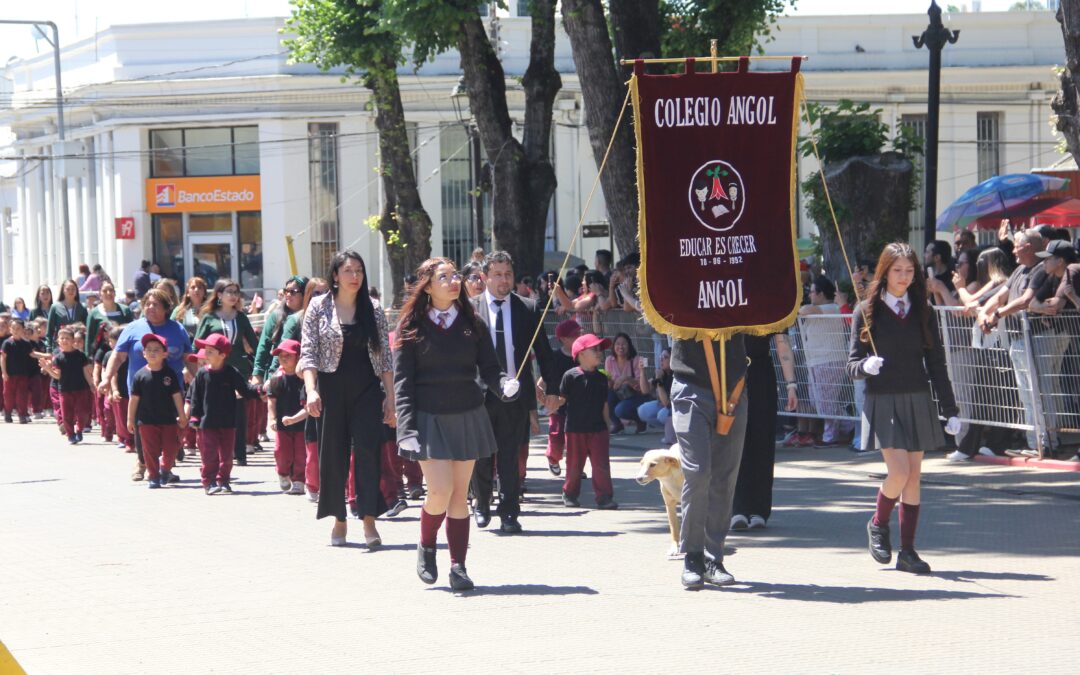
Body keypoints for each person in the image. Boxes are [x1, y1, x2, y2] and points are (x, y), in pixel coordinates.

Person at [394, 257, 519, 591]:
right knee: (439, 491)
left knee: (458, 498)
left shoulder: (472, 322)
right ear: (428, 285)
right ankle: (427, 544)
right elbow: (403, 382)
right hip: (427, 418)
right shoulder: (410, 326)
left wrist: (503, 383)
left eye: (455, 276)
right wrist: (405, 429)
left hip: (467, 414)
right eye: (444, 276)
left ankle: (458, 566)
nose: (453, 281)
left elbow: (489, 368)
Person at [849, 242, 960, 575]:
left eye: (910, 271)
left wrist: (950, 409)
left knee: (914, 478)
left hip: (917, 396)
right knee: (898, 473)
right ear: (885, 271)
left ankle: (908, 551)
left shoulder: (922, 308)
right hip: (882, 398)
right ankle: (878, 522)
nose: (903, 277)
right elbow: (851, 363)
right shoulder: (866, 310)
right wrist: (865, 366)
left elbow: (936, 361)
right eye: (897, 270)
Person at [300, 250, 395, 548]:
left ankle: (369, 519)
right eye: (349, 271)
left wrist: (390, 398)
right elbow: (308, 351)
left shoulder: (374, 308)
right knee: (333, 455)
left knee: (368, 453)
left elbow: (384, 357)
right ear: (335, 276)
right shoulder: (318, 306)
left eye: (359, 271)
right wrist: (312, 389)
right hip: (330, 388)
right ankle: (339, 519)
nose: (355, 277)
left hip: (366, 390)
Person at [469, 250, 558, 534]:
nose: (503, 280)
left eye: (508, 274)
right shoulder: (469, 309)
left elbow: (544, 352)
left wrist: (553, 389)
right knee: (482, 456)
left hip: (515, 396)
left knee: (510, 456)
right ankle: (481, 503)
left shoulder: (527, 308)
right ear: (484, 277)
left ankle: (509, 512)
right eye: (497, 275)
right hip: (479, 396)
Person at [670, 334, 748, 589]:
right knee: (698, 472)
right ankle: (692, 557)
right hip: (690, 384)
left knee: (725, 476)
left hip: (733, 386)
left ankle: (714, 557)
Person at [99, 288, 193, 482]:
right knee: (143, 429)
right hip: (142, 392)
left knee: (170, 430)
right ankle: (143, 463)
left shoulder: (177, 329)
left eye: (156, 304)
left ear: (167, 308)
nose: (150, 308)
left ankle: (164, 467)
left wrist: (200, 379)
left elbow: (188, 357)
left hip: (171, 392)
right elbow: (118, 355)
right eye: (147, 304)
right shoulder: (133, 328)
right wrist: (107, 378)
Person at [730, 333, 798, 530]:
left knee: (763, 441)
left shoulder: (771, 305)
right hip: (731, 373)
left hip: (761, 373)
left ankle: (759, 510)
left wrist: (791, 385)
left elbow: (782, 344)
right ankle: (737, 508)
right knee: (735, 442)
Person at [186, 333, 264, 495]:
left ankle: (224, 481)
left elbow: (245, 389)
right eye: (205, 350)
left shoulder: (231, 372)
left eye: (210, 351)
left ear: (222, 355)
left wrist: (259, 390)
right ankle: (209, 481)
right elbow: (196, 398)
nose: (206, 353)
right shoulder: (202, 374)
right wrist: (194, 416)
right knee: (209, 455)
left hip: (228, 423)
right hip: (207, 424)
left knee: (227, 456)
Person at [195, 278, 259, 465]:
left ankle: (239, 453)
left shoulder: (241, 317)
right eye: (228, 291)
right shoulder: (209, 318)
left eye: (236, 292)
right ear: (219, 295)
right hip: (214, 371)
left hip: (237, 370)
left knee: (238, 411)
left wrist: (258, 369)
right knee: (215, 410)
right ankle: (217, 454)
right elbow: (197, 344)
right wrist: (199, 365)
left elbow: (255, 345)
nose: (233, 295)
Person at [551, 333, 617, 509]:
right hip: (575, 429)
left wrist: (608, 425)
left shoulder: (602, 378)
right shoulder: (571, 376)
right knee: (574, 464)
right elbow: (561, 400)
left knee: (601, 465)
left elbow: (604, 404)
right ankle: (570, 493)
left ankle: (604, 497)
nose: (598, 352)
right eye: (594, 349)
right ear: (581, 354)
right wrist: (548, 401)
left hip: (598, 429)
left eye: (599, 349)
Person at [798, 275, 855, 447]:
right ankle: (850, 425)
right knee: (817, 401)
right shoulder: (820, 308)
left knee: (825, 402)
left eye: (813, 292)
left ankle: (830, 437)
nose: (810, 295)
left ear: (821, 293)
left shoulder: (831, 307)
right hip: (816, 361)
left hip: (830, 360)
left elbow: (804, 310)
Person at [128, 333, 188, 489]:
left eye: (156, 349)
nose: (152, 352)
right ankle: (153, 477)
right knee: (149, 451)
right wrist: (130, 419)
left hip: (168, 419)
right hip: (146, 421)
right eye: (148, 349)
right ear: (143, 353)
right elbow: (134, 399)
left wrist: (182, 415)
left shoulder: (169, 374)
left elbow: (176, 396)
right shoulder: (140, 375)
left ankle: (165, 469)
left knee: (171, 448)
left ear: (165, 353)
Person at [539, 319, 581, 476]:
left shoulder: (582, 356)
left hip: (577, 405)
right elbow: (545, 377)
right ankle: (553, 458)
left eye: (579, 333)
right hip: (557, 405)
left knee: (576, 440)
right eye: (574, 335)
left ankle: (575, 468)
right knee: (557, 437)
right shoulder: (555, 357)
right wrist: (540, 389)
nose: (578, 337)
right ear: (563, 338)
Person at [266, 339, 308, 495]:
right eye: (280, 355)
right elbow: (271, 401)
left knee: (301, 454)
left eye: (288, 355)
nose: (283, 358)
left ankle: (298, 481)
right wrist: (272, 419)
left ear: (298, 357)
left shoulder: (305, 379)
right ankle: (283, 473)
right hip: (283, 426)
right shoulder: (276, 379)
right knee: (282, 452)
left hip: (302, 424)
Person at [253, 275, 308, 385]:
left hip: (302, 373)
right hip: (278, 373)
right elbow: (264, 345)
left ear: (305, 294)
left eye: (293, 291)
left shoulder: (310, 316)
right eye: (286, 291)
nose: (287, 294)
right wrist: (257, 374)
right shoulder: (276, 315)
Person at [42, 327, 94, 444]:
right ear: (58, 341)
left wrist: (91, 384)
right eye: (62, 338)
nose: (64, 340)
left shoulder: (80, 355)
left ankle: (79, 430)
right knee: (66, 415)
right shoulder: (58, 358)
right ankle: (71, 435)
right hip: (65, 390)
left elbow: (86, 371)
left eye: (67, 338)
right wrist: (48, 369)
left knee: (83, 413)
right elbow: (57, 376)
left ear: (73, 341)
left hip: (81, 388)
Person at [605, 332, 652, 434]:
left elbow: (642, 387)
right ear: (613, 346)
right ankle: (618, 425)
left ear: (629, 345)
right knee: (604, 395)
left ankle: (640, 420)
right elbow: (610, 385)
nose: (620, 347)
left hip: (636, 395)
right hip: (619, 394)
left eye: (624, 344)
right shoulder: (609, 360)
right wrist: (607, 380)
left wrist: (625, 378)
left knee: (620, 410)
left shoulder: (636, 360)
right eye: (617, 344)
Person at [85, 281, 134, 356]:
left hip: (123, 353)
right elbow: (89, 338)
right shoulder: (94, 313)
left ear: (115, 293)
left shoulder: (125, 310)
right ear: (100, 294)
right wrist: (88, 358)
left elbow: (132, 333)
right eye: (105, 291)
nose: (108, 293)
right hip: (101, 354)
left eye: (111, 290)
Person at [2, 318, 36, 424]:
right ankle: (8, 412)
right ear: (10, 329)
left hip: (23, 374)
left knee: (22, 395)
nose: (16, 330)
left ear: (23, 330)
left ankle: (22, 415)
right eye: (13, 328)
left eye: (18, 328)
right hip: (10, 375)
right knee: (8, 395)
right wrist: (4, 373)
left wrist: (46, 356)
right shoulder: (7, 343)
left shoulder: (26, 344)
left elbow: (32, 354)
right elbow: (3, 358)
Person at [45, 280, 88, 351]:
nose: (71, 291)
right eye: (68, 289)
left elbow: (86, 328)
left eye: (73, 289)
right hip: (61, 346)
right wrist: (48, 348)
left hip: (77, 346)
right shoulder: (55, 307)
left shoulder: (82, 307)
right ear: (63, 290)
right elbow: (49, 330)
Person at [924, 240, 956, 305]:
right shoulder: (924, 276)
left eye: (927, 252)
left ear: (937, 257)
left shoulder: (953, 280)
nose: (924, 255)